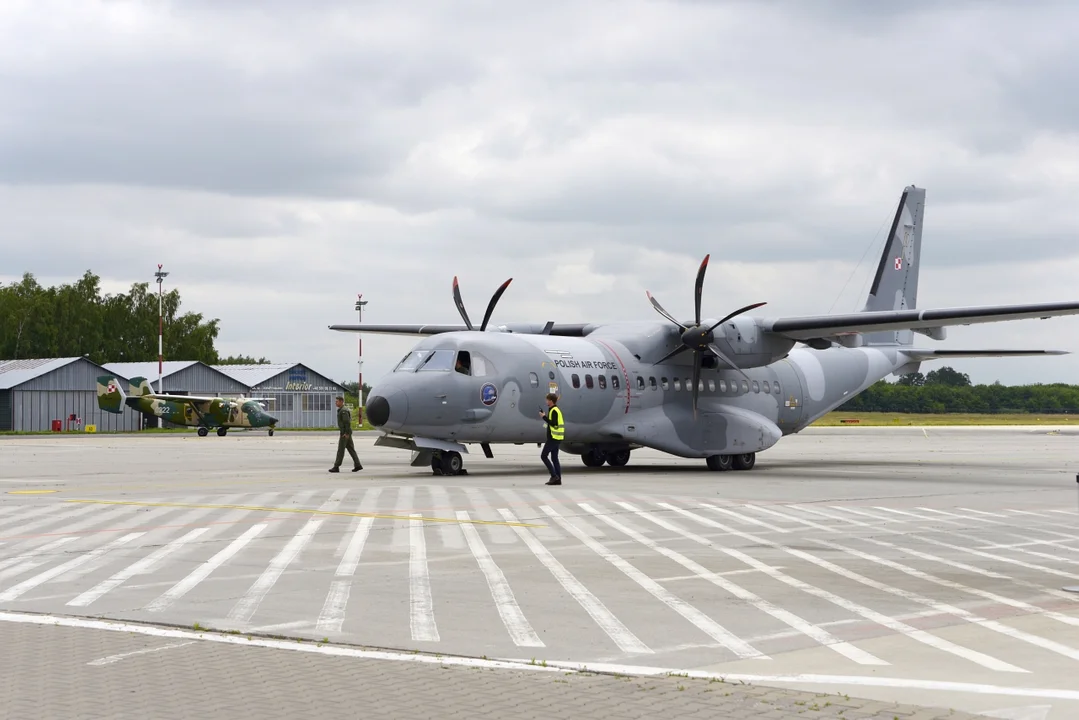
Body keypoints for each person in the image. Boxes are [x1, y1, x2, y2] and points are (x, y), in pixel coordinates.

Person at [329, 396, 362, 473]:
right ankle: (358, 465)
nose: (335, 403)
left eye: (337, 401)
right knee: (351, 449)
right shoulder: (341, 410)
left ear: (341, 401)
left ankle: (336, 466)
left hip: (344, 433)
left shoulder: (343, 411)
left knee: (341, 450)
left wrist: (346, 433)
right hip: (346, 433)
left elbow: (347, 422)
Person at [538, 393, 564, 485]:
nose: (546, 401)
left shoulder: (554, 410)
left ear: (551, 401)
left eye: (547, 400)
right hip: (556, 437)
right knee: (554, 458)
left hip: (554, 437)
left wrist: (544, 417)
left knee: (543, 456)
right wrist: (545, 417)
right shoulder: (554, 410)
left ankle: (554, 476)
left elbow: (554, 423)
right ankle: (558, 478)